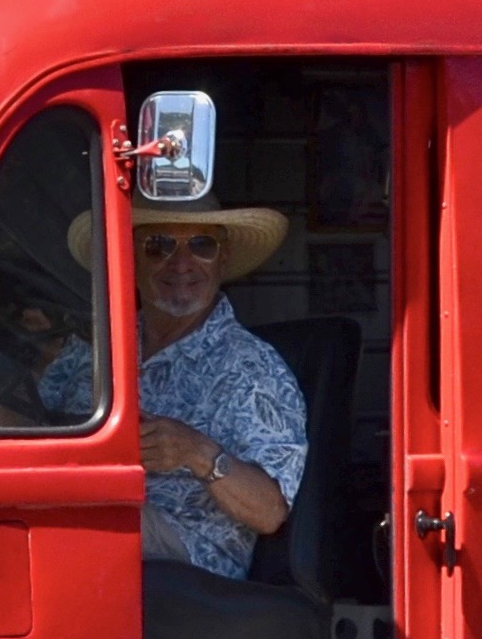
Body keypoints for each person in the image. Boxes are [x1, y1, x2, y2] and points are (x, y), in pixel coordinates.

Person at [38, 194, 308, 581]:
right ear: (129, 255)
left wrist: (197, 453)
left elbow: (269, 513)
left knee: (68, 523)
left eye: (201, 245)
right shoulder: (96, 348)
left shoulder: (253, 368)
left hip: (187, 554)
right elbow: (36, 424)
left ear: (223, 257)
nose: (181, 264)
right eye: (159, 245)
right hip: (89, 509)